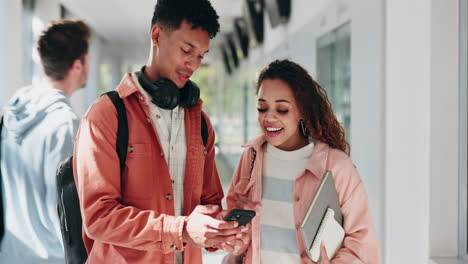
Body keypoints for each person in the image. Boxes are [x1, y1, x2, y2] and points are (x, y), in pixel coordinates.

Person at [72, 0, 247, 263]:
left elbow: (209, 202)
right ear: (157, 35)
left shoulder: (200, 123)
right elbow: (99, 218)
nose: (193, 65)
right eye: (187, 50)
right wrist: (182, 230)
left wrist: (220, 231)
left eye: (201, 56)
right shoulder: (106, 116)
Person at [224, 59, 380, 264]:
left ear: (302, 111)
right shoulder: (251, 157)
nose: (268, 118)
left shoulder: (335, 165)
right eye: (262, 108)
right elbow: (232, 237)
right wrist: (235, 230)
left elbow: (362, 242)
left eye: (282, 110)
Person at [0, 20, 90, 263]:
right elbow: (68, 208)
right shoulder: (65, 124)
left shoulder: (12, 114)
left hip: (11, 253)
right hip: (51, 257)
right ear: (78, 66)